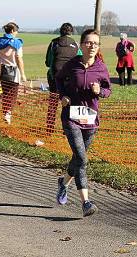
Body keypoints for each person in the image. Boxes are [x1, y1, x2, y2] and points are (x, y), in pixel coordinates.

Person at [55, 29, 111, 217]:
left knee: (78, 159)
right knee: (83, 159)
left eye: (96, 43)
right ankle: (86, 202)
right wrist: (62, 96)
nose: (92, 46)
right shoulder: (71, 65)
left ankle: (63, 183)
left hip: (90, 120)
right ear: (81, 45)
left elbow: (108, 90)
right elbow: (58, 79)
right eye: (89, 43)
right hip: (71, 118)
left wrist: (99, 92)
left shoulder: (101, 68)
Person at [0, 22, 26, 125]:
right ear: (12, 31)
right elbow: (19, 58)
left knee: (6, 93)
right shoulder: (17, 43)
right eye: (16, 31)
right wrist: (22, 74)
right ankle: (8, 114)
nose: (17, 33)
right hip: (13, 71)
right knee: (13, 94)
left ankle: (5, 113)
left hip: (3, 70)